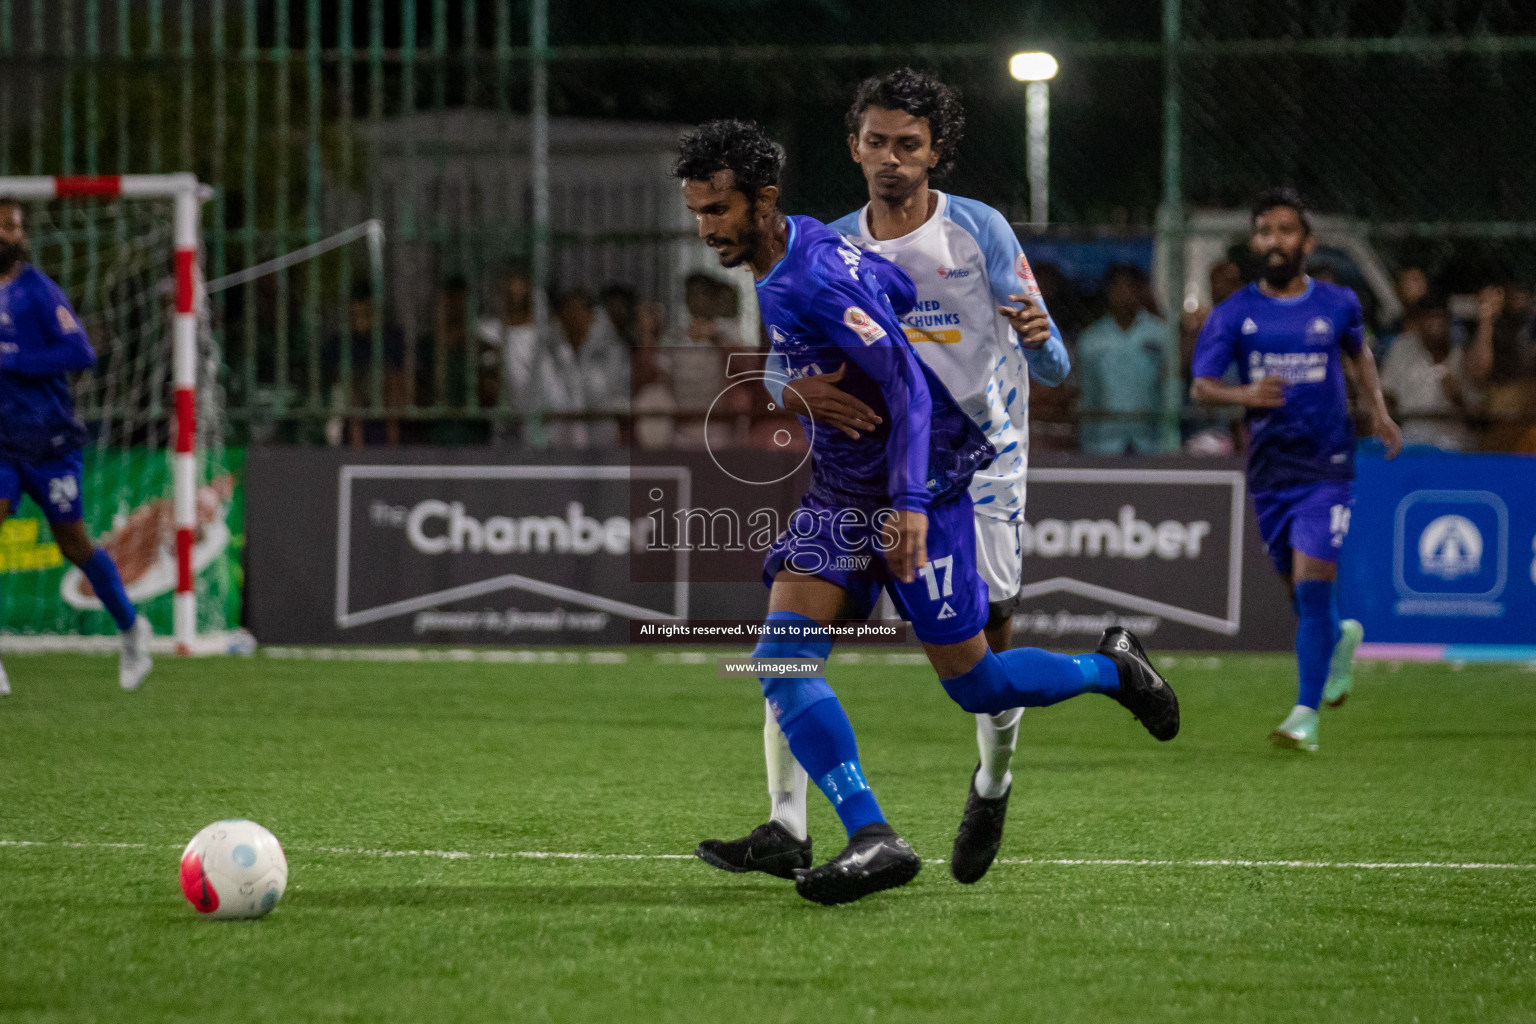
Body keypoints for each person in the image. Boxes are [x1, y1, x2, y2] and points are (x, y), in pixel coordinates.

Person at [676, 119, 1178, 905]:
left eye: (716, 211)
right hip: (843, 493)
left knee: (977, 687)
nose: (705, 230)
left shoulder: (807, 277)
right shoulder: (807, 246)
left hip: (921, 490)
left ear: (763, 200)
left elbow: (908, 381)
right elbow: (900, 295)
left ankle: (1111, 668)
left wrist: (909, 505)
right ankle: (870, 835)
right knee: (782, 659)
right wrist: (798, 387)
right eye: (697, 212)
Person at [703, 68, 1079, 889]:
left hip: (981, 467)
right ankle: (788, 822)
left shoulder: (978, 230)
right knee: (791, 644)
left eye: (908, 145)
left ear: (935, 153)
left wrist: (1044, 340)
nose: (890, 159)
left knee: (985, 664)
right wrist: (790, 390)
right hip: (872, 477)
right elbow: (778, 371)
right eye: (876, 143)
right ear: (854, 147)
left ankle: (992, 784)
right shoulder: (830, 240)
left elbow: (1052, 361)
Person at [1190, 188, 1402, 753]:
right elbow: (1201, 385)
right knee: (1298, 592)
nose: (1274, 241)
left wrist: (1377, 412)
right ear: (1253, 242)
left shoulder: (1338, 302)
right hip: (1270, 472)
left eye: (1285, 231)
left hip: (1328, 466)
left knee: (1311, 593)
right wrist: (1246, 393)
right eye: (1264, 232)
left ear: (1306, 242)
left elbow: (1358, 352)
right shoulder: (1234, 313)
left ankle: (1304, 716)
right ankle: (1340, 639)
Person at [0, 197, 153, 694]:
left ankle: (131, 628)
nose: (11, 235)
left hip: (50, 443)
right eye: (4, 226)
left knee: (74, 543)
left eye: (15, 227)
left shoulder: (38, 292)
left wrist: (17, 358)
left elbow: (80, 351)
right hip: (2, 444)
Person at [1077, 263, 1173, 456]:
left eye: (1130, 287)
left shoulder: (1160, 334)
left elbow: (1169, 387)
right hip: (1105, 442)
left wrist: (1170, 440)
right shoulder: (1092, 339)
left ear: (1140, 291)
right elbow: (1088, 392)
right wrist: (1086, 441)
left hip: (1150, 441)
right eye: (1117, 288)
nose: (1124, 294)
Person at [1379, 301, 1477, 451]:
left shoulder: (1464, 355)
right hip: (1410, 440)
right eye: (1429, 318)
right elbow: (1387, 395)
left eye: (1439, 318)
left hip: (1452, 445)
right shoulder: (1403, 348)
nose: (1434, 324)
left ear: (1449, 322)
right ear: (1419, 322)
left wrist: (1457, 397)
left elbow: (1476, 414)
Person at [323, 282, 409, 447]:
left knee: (392, 383)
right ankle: (357, 449)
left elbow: (401, 378)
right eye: (357, 314)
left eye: (366, 314)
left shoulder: (392, 339)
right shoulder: (340, 344)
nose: (361, 320)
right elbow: (335, 380)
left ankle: (393, 448)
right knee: (349, 395)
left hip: (386, 410)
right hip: (351, 411)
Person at [412, 275, 494, 445]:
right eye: (448, 303)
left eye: (459, 305)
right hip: (435, 437)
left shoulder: (480, 346)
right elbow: (416, 397)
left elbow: (492, 395)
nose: (453, 310)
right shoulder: (424, 347)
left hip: (474, 437)